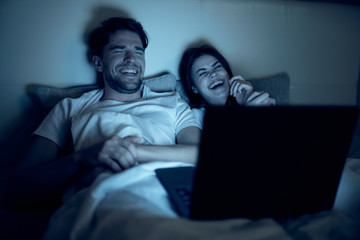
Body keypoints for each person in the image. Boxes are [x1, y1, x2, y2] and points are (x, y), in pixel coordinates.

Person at [4, 17, 201, 209]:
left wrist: (131, 151)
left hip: (165, 195)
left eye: (138, 52)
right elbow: (18, 188)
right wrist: (81, 158)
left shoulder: (172, 102)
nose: (131, 59)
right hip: (103, 200)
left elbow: (201, 154)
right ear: (99, 63)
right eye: (119, 50)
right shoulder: (69, 108)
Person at [179, 44, 275, 127]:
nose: (213, 74)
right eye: (202, 73)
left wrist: (248, 101)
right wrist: (245, 114)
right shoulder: (195, 118)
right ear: (194, 88)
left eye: (217, 67)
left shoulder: (256, 99)